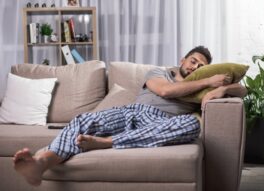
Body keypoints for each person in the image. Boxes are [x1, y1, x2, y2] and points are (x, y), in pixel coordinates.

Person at [13, 46, 247, 186]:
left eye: (201, 66)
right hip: (132, 113)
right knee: (84, 120)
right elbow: (165, 91)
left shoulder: (202, 88)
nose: (195, 67)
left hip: (161, 122)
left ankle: (106, 143)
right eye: (193, 61)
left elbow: (244, 89)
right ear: (182, 61)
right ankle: (42, 162)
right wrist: (209, 81)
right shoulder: (160, 73)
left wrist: (223, 88)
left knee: (190, 126)